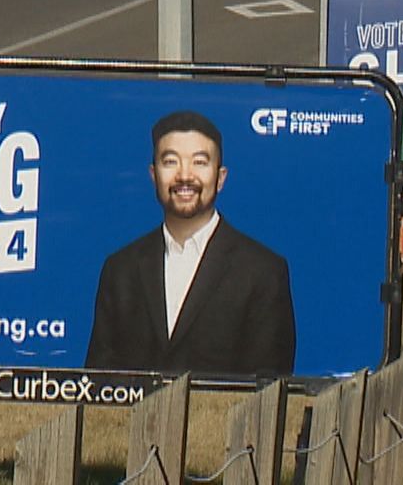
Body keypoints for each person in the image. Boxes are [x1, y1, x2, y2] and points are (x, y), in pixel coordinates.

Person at [86, 111, 296, 376]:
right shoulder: (120, 270)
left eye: (199, 162)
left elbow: (268, 395)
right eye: (171, 161)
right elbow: (98, 389)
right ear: (153, 174)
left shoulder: (263, 272)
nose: (185, 176)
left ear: (220, 177)